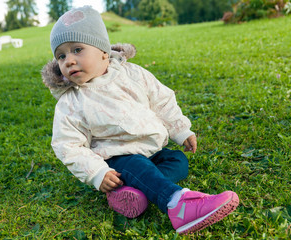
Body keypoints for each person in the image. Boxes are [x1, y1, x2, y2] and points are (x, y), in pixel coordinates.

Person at [42, 6, 239, 235]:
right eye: (61, 56)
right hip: (116, 161)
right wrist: (97, 173)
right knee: (137, 166)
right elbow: (68, 145)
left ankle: (136, 194)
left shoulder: (132, 74)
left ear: (104, 51)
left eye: (77, 49)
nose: (69, 61)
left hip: (151, 150)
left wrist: (181, 130)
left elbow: (162, 100)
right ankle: (179, 204)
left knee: (178, 161)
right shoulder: (72, 102)